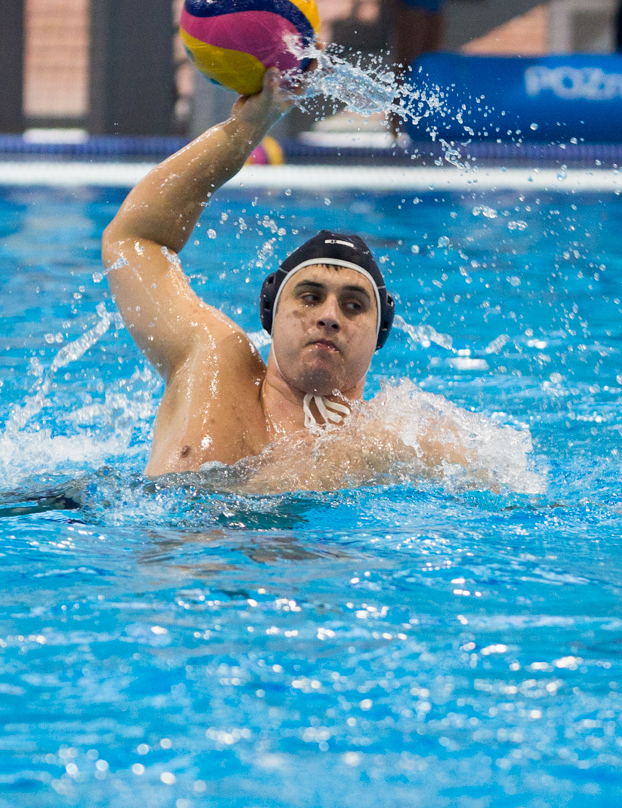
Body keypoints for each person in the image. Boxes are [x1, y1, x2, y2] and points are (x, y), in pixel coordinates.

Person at [102, 69, 481, 493]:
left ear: (381, 333)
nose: (329, 317)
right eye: (310, 296)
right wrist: (244, 130)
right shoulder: (211, 362)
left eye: (354, 305)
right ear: (271, 311)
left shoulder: (398, 443)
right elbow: (135, 238)